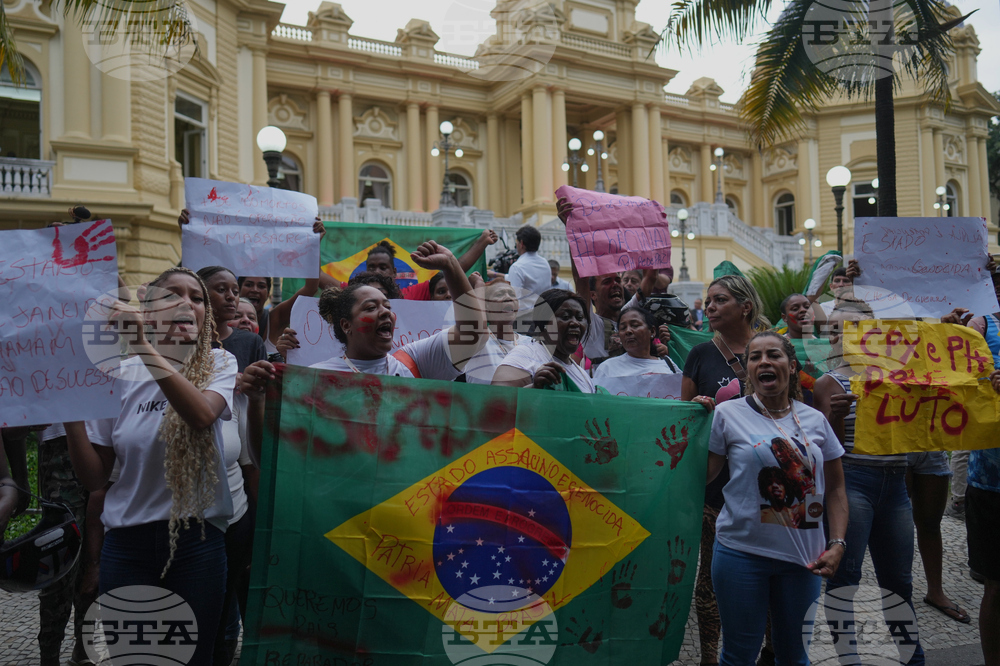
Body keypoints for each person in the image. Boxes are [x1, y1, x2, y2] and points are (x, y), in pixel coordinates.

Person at [64, 267, 237, 666]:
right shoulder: (117, 376)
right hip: (127, 547)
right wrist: (70, 411)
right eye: (172, 295)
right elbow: (94, 476)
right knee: (136, 658)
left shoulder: (219, 363)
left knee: (192, 657)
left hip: (198, 543)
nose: (187, 303)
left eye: (196, 297)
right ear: (146, 311)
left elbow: (200, 415)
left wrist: (143, 347)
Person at [706, 331, 847, 666]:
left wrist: (838, 542)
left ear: (792, 365)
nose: (764, 362)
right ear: (748, 370)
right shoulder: (727, 414)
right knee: (739, 656)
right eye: (755, 357)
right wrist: (692, 424)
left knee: (794, 657)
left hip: (804, 560)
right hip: (741, 554)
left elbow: (837, 489)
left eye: (774, 355)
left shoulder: (816, 420)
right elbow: (702, 476)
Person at [845, 258, 972, 624]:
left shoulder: (931, 321)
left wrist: (951, 326)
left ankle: (935, 589)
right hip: (890, 435)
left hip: (927, 434)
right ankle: (871, 594)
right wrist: (852, 285)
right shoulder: (869, 325)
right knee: (892, 520)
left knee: (928, 521)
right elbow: (842, 325)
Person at [814, 300, 928, 665]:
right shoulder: (827, 382)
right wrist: (834, 416)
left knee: (899, 583)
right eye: (834, 328)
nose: (839, 334)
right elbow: (824, 452)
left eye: (848, 328)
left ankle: (913, 657)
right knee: (844, 580)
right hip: (852, 482)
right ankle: (850, 659)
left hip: (896, 485)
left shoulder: (900, 373)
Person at [682, 273, 770, 666]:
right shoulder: (700, 354)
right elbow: (682, 421)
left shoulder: (772, 349)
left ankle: (771, 649)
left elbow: (793, 408)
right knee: (711, 578)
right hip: (715, 485)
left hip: (768, 484)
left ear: (745, 306)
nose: (710, 307)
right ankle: (708, 658)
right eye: (709, 301)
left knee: (770, 572)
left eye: (719, 300)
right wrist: (699, 411)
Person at [194, 266, 263, 665]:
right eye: (220, 290)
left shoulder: (235, 357)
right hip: (182, 523)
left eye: (235, 290)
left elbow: (248, 454)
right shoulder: (139, 371)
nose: (233, 297)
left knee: (223, 611)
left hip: (233, 516)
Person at [339, 229, 497, 299]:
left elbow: (454, 273)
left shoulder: (411, 293)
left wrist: (482, 242)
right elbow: (320, 278)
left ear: (394, 272)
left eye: (383, 267)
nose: (377, 272)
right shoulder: (353, 295)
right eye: (371, 267)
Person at [492, 289, 595, 393]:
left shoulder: (583, 376)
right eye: (565, 317)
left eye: (580, 318)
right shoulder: (525, 356)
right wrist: (534, 388)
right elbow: (497, 399)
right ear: (544, 322)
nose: (575, 323)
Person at [592, 306, 681, 379]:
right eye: (623, 328)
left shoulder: (669, 365)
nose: (628, 331)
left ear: (652, 332)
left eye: (635, 325)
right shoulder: (607, 369)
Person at [505, 225, 551, 299]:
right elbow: (532, 280)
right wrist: (496, 275)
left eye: (517, 242)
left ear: (522, 244)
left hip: (525, 310)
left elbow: (514, 298)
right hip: (544, 309)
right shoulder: (545, 263)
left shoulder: (517, 267)